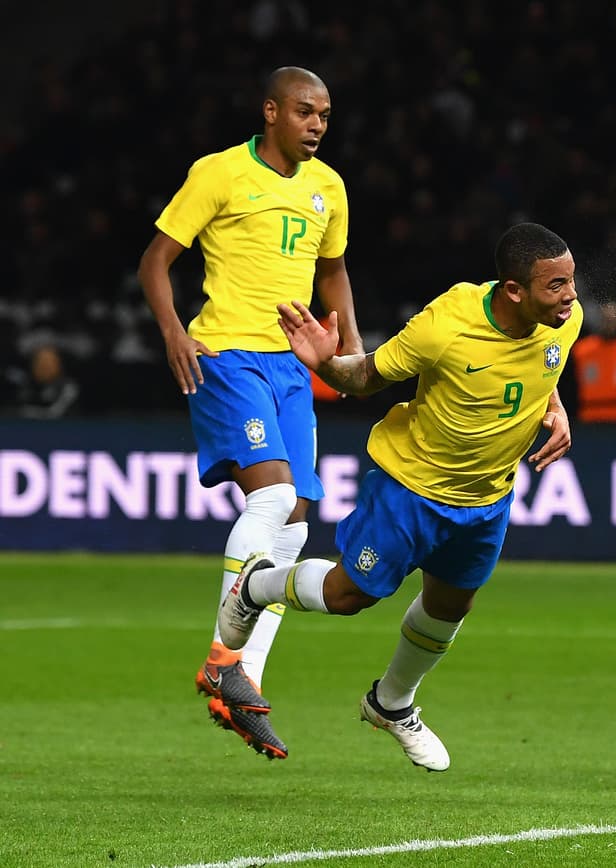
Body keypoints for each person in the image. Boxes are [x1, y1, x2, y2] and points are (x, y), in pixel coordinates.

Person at [216, 222, 581, 770]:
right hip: (412, 488)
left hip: (487, 498)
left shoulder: (563, 318)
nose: (571, 295)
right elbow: (366, 377)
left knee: (451, 604)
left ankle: (390, 703)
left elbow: (541, 364)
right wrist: (324, 363)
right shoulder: (446, 325)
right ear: (513, 290)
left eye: (571, 280)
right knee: (349, 596)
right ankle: (256, 585)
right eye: (556, 285)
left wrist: (555, 407)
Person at [137, 67, 364, 759]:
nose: (317, 124)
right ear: (271, 112)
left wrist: (351, 348)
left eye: (324, 114)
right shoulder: (219, 173)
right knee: (271, 497)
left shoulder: (329, 188)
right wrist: (174, 333)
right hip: (229, 353)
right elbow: (155, 261)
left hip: (292, 367)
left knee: (295, 524)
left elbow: (332, 271)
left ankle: (240, 682)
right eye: (304, 111)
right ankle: (221, 659)